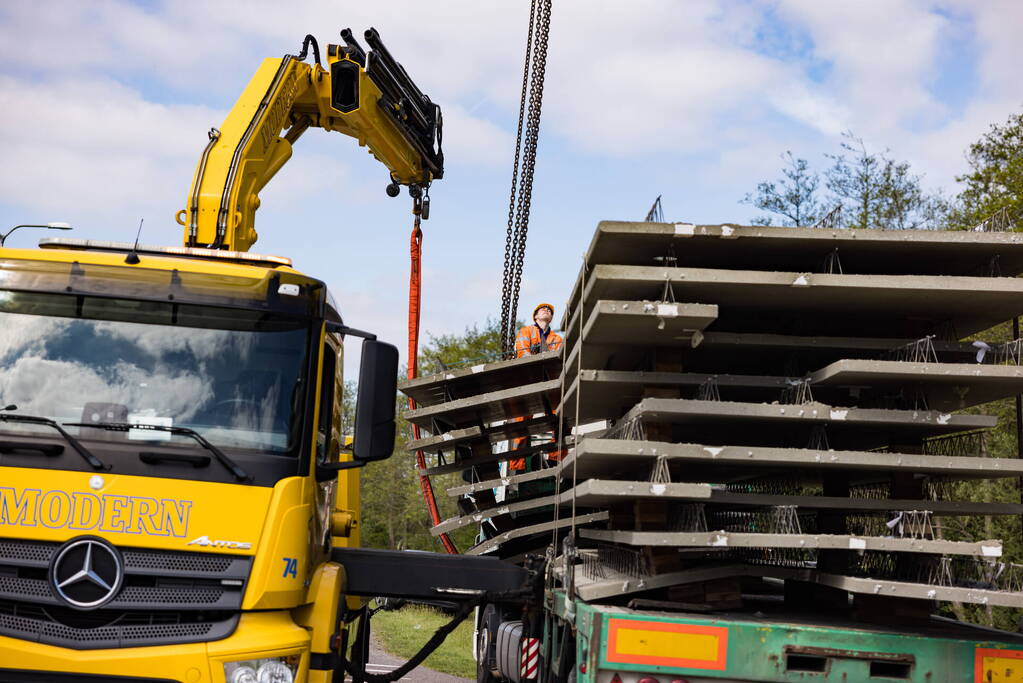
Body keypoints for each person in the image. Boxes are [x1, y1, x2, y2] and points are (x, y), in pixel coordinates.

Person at [508, 303, 564, 472]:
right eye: (542, 309)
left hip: (549, 383)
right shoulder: (526, 332)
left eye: (549, 311)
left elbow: (559, 359)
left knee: (560, 417)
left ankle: (555, 459)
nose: (546, 310)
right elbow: (522, 352)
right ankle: (518, 466)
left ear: (551, 318)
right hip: (528, 380)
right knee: (521, 422)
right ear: (535, 316)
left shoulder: (556, 338)